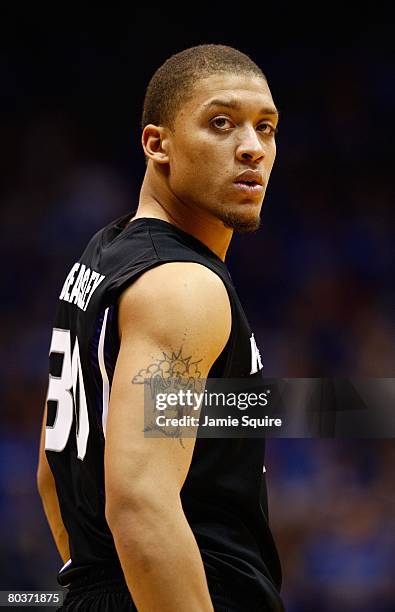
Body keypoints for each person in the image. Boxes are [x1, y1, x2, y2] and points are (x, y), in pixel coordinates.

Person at [37, 44, 284, 611]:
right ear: (157, 144)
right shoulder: (182, 285)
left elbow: (53, 473)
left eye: (266, 128)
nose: (252, 147)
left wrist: (98, 586)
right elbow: (141, 503)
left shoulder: (103, 256)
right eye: (221, 123)